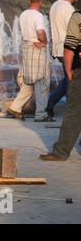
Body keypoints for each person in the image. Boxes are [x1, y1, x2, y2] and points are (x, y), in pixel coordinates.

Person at [6, 0, 53, 122]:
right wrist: (44, 41)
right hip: (36, 48)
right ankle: (41, 114)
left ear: (29, 0)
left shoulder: (23, 14)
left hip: (26, 47)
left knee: (29, 81)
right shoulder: (37, 16)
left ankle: (15, 107)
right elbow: (40, 31)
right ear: (41, 1)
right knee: (42, 81)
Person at [40, 10, 81, 161]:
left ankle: (60, 152)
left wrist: (69, 69)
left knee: (74, 112)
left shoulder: (78, 17)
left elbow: (70, 46)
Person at [45, 0, 79, 118]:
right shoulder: (69, 9)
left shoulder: (55, 5)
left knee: (67, 79)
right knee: (72, 80)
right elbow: (73, 32)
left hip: (58, 48)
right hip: (68, 49)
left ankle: (49, 103)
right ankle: (71, 112)